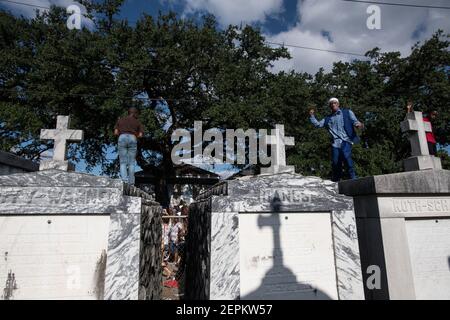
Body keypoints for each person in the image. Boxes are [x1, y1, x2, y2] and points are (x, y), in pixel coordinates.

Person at [310, 98, 364, 182]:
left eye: (335, 103)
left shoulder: (347, 112)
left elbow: (355, 121)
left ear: (338, 104)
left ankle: (353, 177)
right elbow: (318, 124)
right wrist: (312, 116)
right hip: (335, 143)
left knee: (346, 157)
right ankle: (336, 180)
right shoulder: (328, 118)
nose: (333, 104)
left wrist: (358, 125)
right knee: (335, 162)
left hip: (346, 140)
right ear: (330, 106)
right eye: (331, 104)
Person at [114, 107, 145, 185]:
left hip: (122, 137)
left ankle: (124, 181)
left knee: (123, 162)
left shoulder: (120, 120)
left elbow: (115, 132)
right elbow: (141, 135)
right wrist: (134, 137)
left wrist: (122, 135)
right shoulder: (137, 122)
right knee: (131, 162)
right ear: (135, 113)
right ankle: (131, 182)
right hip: (133, 138)